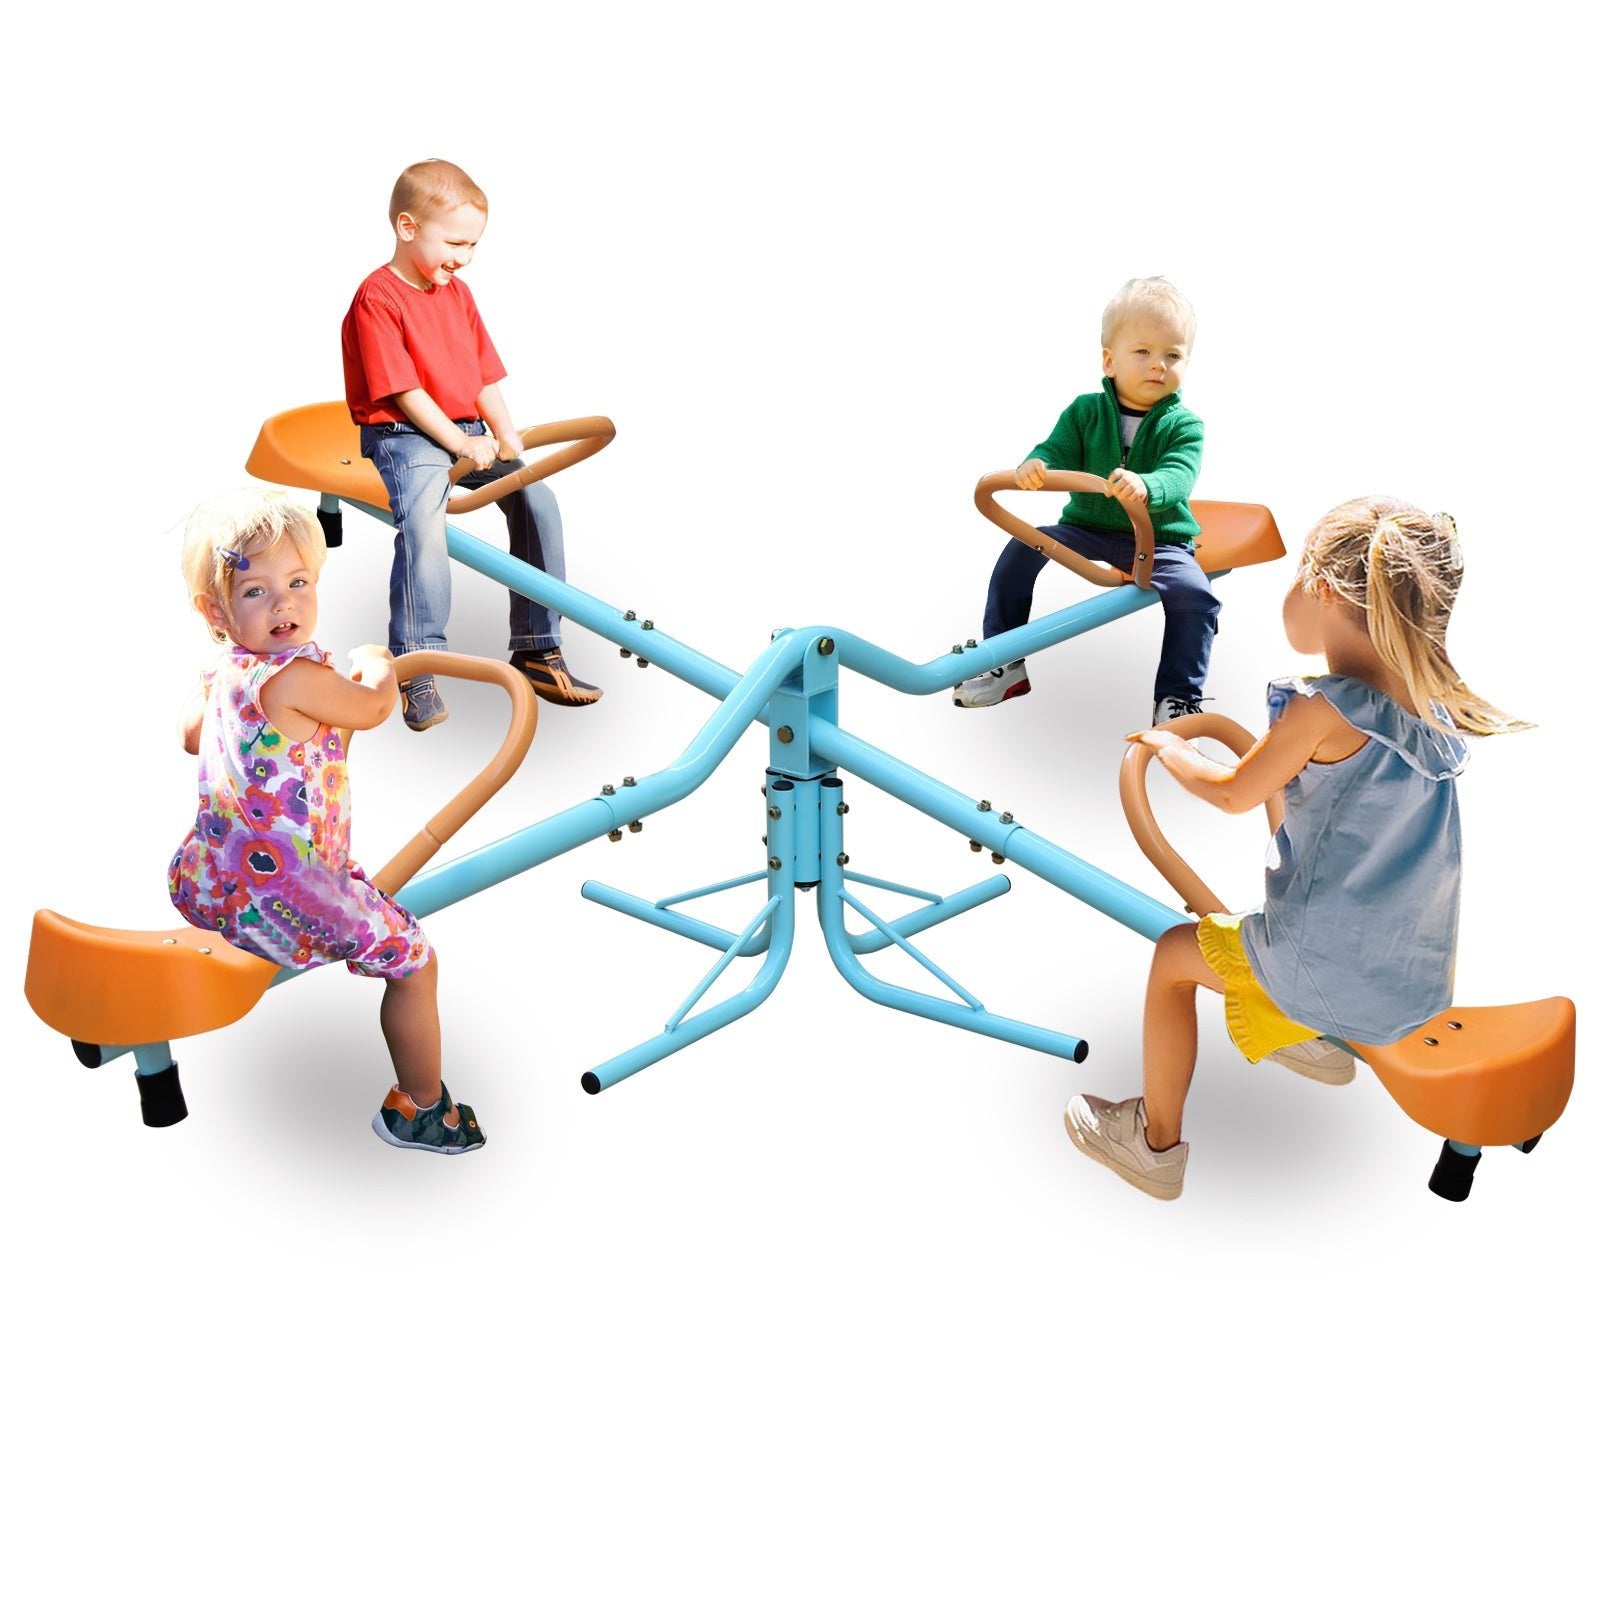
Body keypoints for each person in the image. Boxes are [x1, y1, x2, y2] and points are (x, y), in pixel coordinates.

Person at [1065, 497, 1524, 1200]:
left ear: (1326, 591)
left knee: (1174, 958)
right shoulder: (1432, 703)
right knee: (1306, 925)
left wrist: (1170, 748)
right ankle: (1309, 1035)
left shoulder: (1322, 710)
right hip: (1413, 980)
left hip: (1324, 974)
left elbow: (1232, 794)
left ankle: (1153, 1146)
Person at [168, 489, 485, 1154]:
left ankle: (285, 917)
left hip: (208, 880)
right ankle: (421, 1107)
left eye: (298, 583)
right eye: (255, 591)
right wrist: (378, 664)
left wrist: (213, 686)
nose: (283, 605)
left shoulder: (226, 673)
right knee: (416, 962)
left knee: (333, 886)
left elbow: (190, 735)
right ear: (216, 611)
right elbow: (371, 708)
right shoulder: (293, 677)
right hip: (293, 895)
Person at [341, 157, 601, 731]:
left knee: (536, 498)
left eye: (473, 245)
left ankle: (537, 647)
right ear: (408, 228)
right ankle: (416, 663)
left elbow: (482, 375)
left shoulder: (457, 294)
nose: (464, 257)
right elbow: (405, 392)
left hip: (467, 432)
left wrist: (505, 434)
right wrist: (460, 441)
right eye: (454, 243)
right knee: (425, 523)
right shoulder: (377, 299)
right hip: (404, 435)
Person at [952, 276, 1213, 725]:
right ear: (1110, 361)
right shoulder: (1084, 412)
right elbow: (1054, 450)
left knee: (1196, 597)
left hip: (1160, 539)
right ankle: (1004, 662)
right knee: (1021, 549)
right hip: (1087, 527)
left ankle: (1178, 697)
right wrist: (1036, 465)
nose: (1158, 365)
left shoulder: (1185, 425)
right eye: (1143, 351)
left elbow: (1179, 474)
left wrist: (1148, 485)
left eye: (1173, 355)